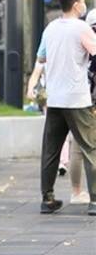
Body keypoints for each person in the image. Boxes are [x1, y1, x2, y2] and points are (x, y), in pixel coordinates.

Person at [36, 0, 96, 216]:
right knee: (90, 148)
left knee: (51, 150)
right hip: (78, 99)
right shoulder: (81, 28)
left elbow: (41, 57)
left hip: (55, 98)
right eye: (82, 1)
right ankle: (94, 201)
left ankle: (47, 197)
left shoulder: (50, 29)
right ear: (75, 4)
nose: (83, 5)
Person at [26, 43, 89, 204]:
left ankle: (51, 196)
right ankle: (89, 197)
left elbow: (38, 66)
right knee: (84, 145)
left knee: (54, 145)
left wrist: (30, 89)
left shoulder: (50, 41)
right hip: (75, 100)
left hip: (54, 100)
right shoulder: (77, 40)